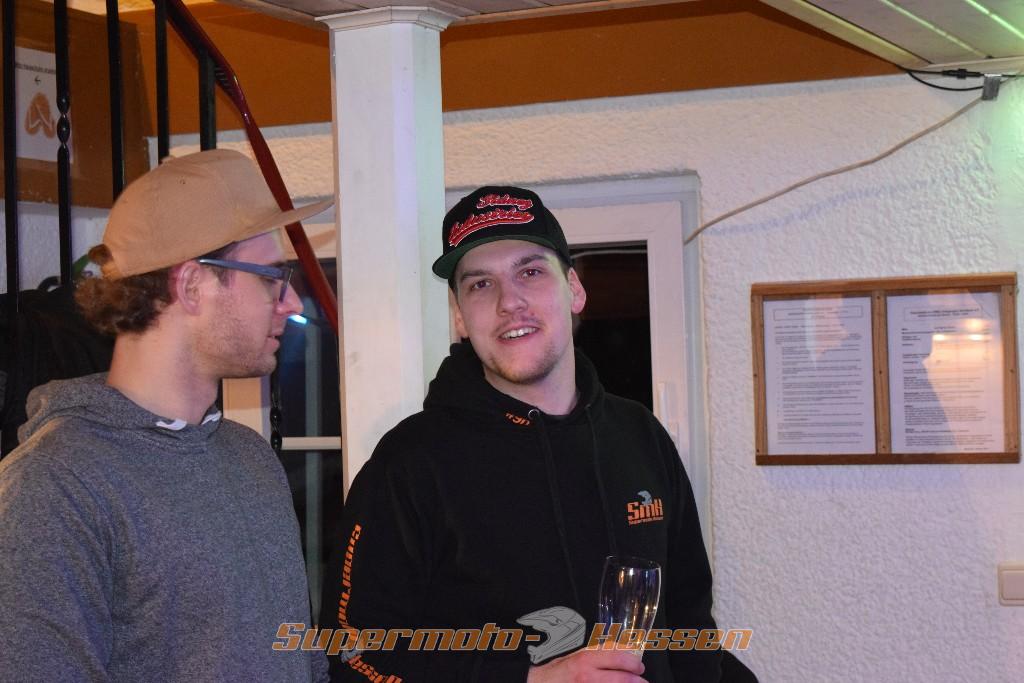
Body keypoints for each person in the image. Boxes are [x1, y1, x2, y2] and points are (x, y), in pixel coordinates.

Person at [321, 186, 722, 681]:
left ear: (574, 290)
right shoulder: (409, 462)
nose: (509, 302)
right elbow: (354, 654)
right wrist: (529, 678)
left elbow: (691, 623)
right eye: (480, 284)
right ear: (459, 316)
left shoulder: (640, 436)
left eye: (530, 272)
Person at [0, 149, 331, 682]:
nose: (292, 302)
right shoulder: (53, 486)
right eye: (272, 277)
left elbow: (301, 660)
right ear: (193, 284)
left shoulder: (249, 458)